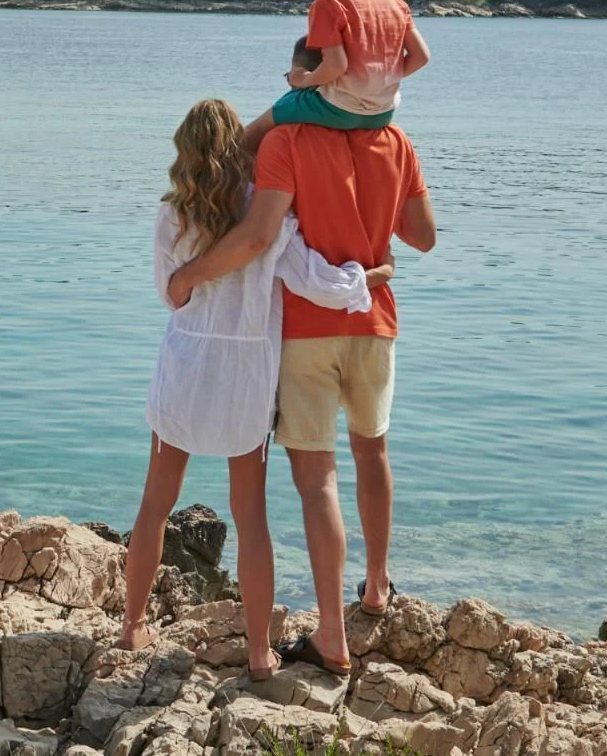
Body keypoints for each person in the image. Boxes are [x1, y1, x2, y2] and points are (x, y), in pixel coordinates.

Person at [172, 48, 437, 676]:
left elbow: (260, 235)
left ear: (307, 79)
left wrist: (188, 275)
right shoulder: (396, 141)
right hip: (374, 318)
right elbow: (423, 236)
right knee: (373, 452)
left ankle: (333, 635)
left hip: (306, 330)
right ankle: (376, 584)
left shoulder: (285, 140)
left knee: (317, 481)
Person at [116, 98, 393, 673]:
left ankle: (132, 627)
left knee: (155, 505)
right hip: (246, 379)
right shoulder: (268, 218)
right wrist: (364, 277)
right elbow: (317, 283)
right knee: (251, 518)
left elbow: (170, 294)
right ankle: (260, 652)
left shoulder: (173, 216)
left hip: (187, 367)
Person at [244, 0, 430, 151]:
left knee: (257, 128)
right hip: (383, 113)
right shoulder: (395, 2)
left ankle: (222, 178)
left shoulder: (328, 4)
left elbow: (336, 66)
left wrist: (303, 79)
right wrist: (380, 79)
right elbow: (421, 57)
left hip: (339, 108)